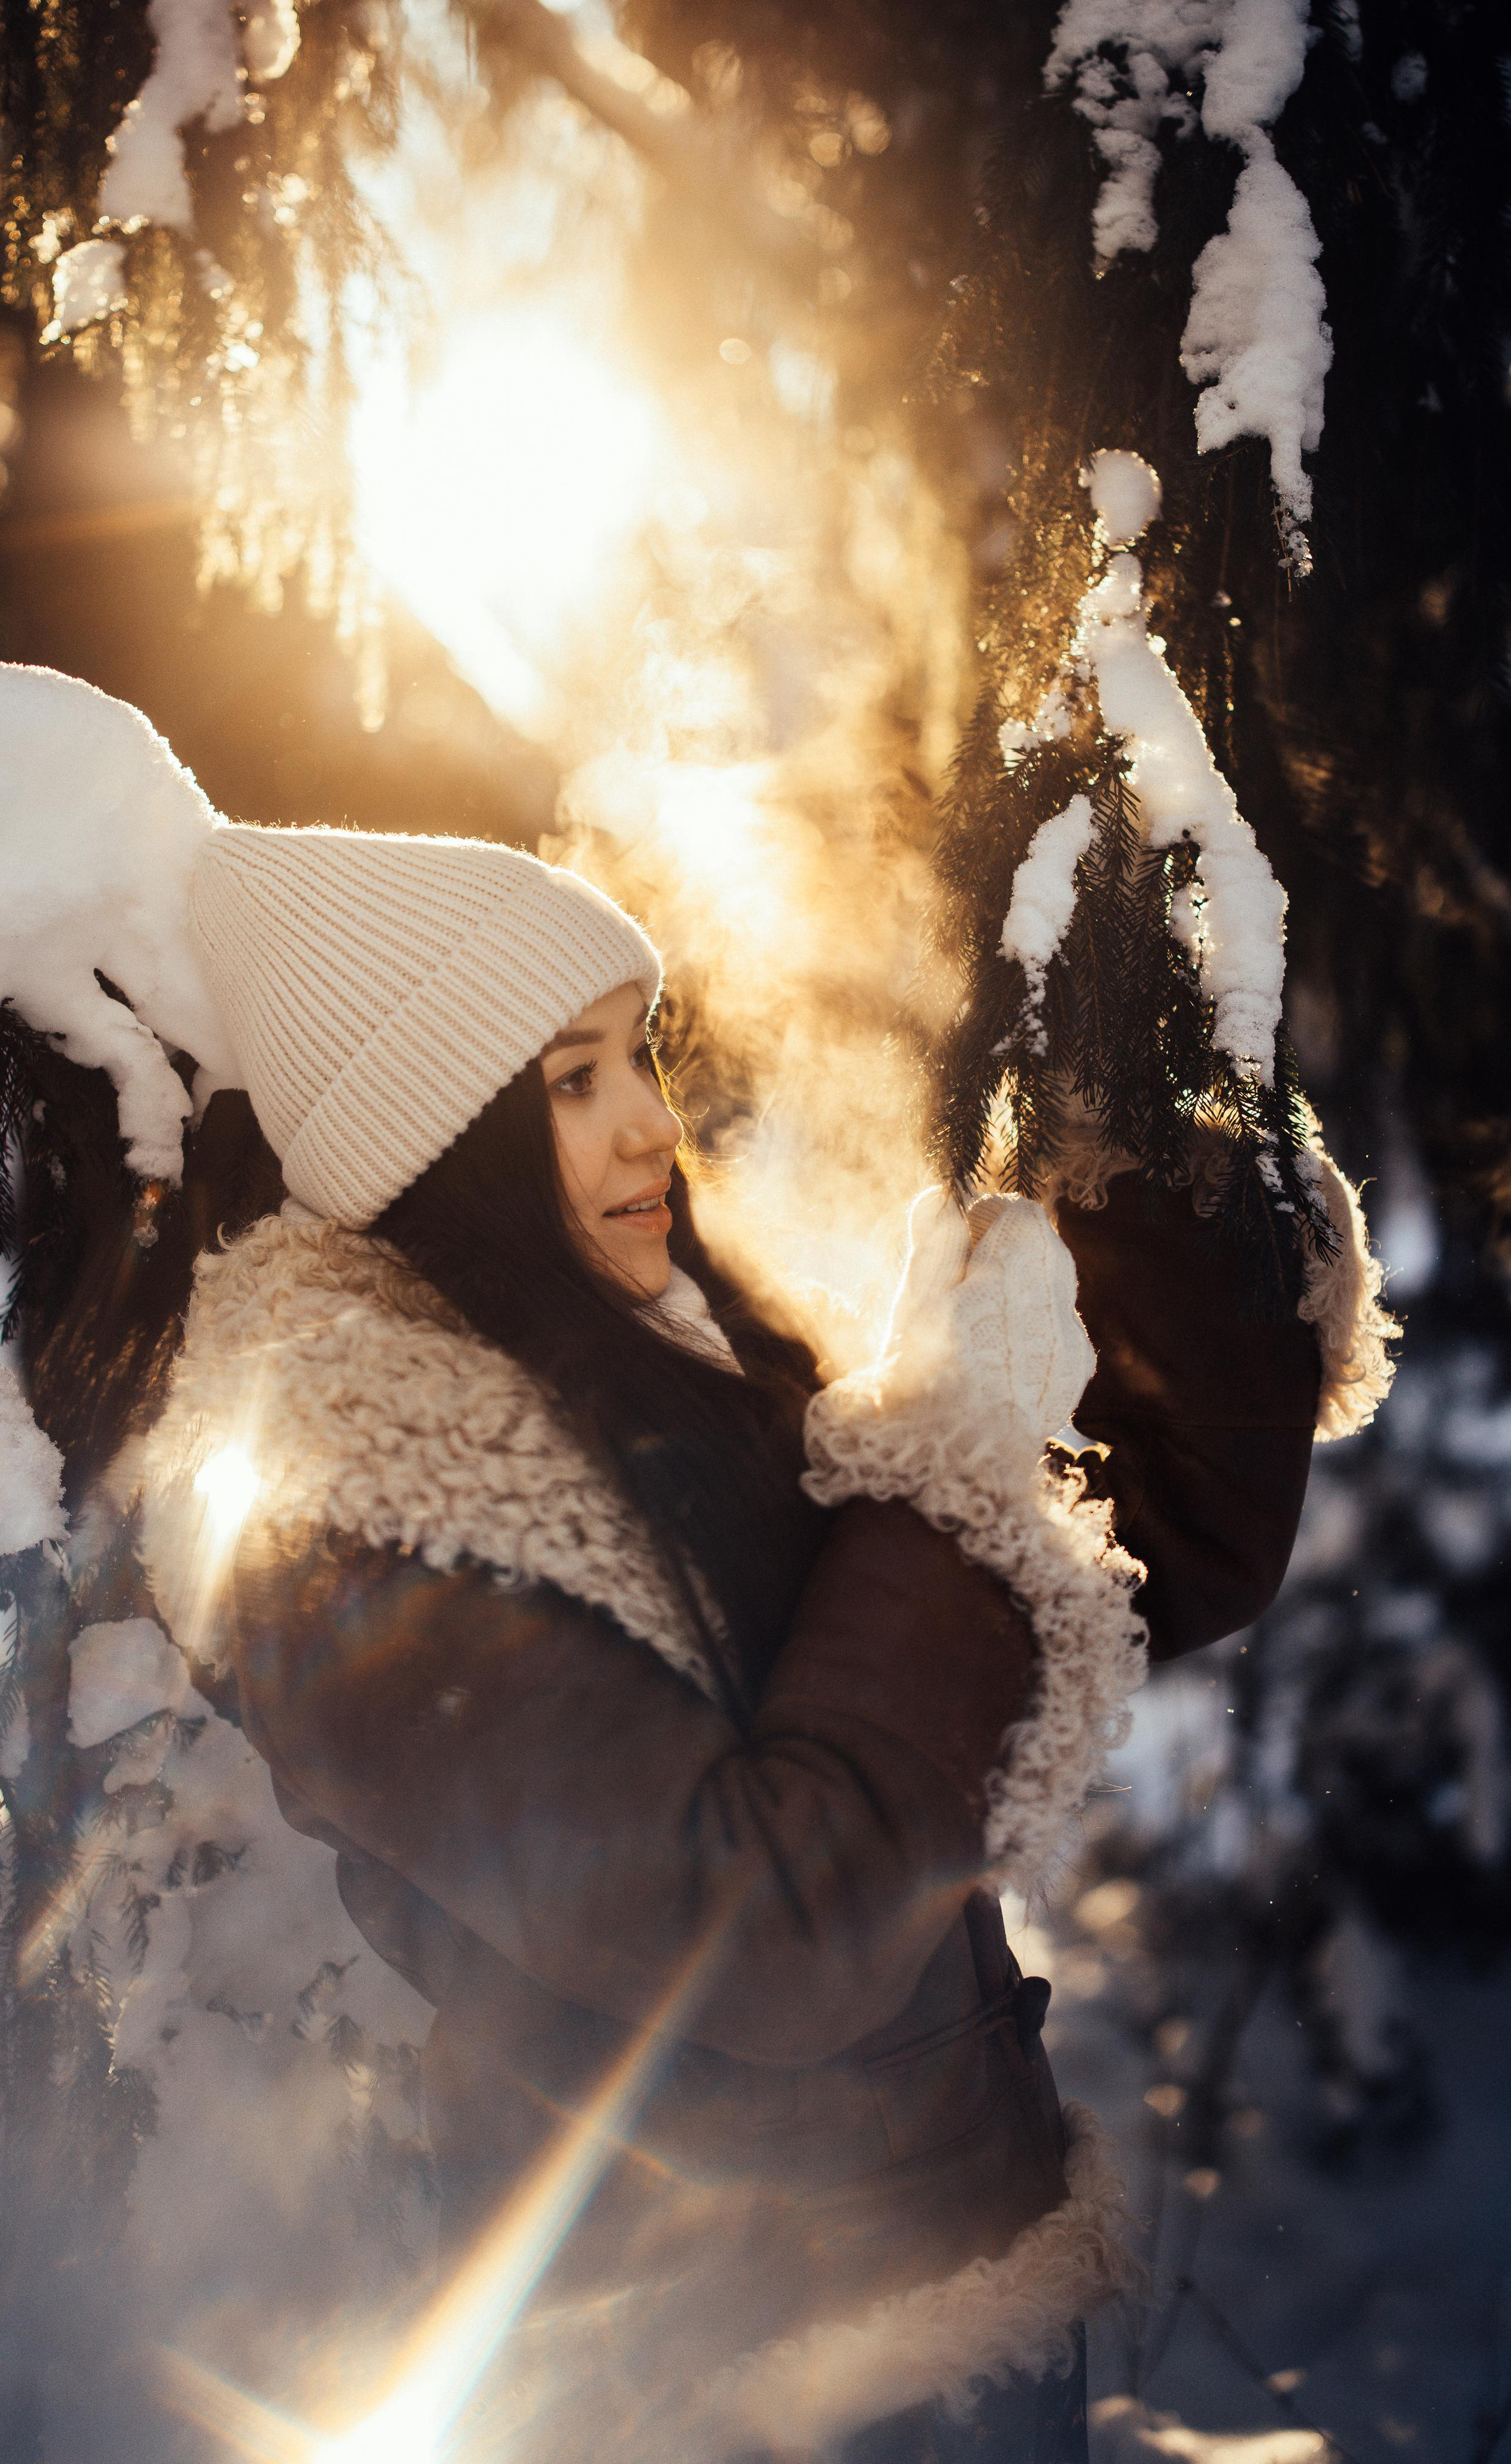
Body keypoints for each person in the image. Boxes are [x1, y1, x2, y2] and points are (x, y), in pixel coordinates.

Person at [100, 825, 1357, 2463]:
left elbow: (1120, 1580)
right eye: (569, 1078)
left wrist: (1143, 1231)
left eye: (639, 1053)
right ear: (438, 1142)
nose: (648, 1118)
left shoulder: (651, 1365)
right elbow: (770, 1928)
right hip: (722, 2382)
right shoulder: (358, 1528)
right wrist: (950, 1457)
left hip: (948, 2317)